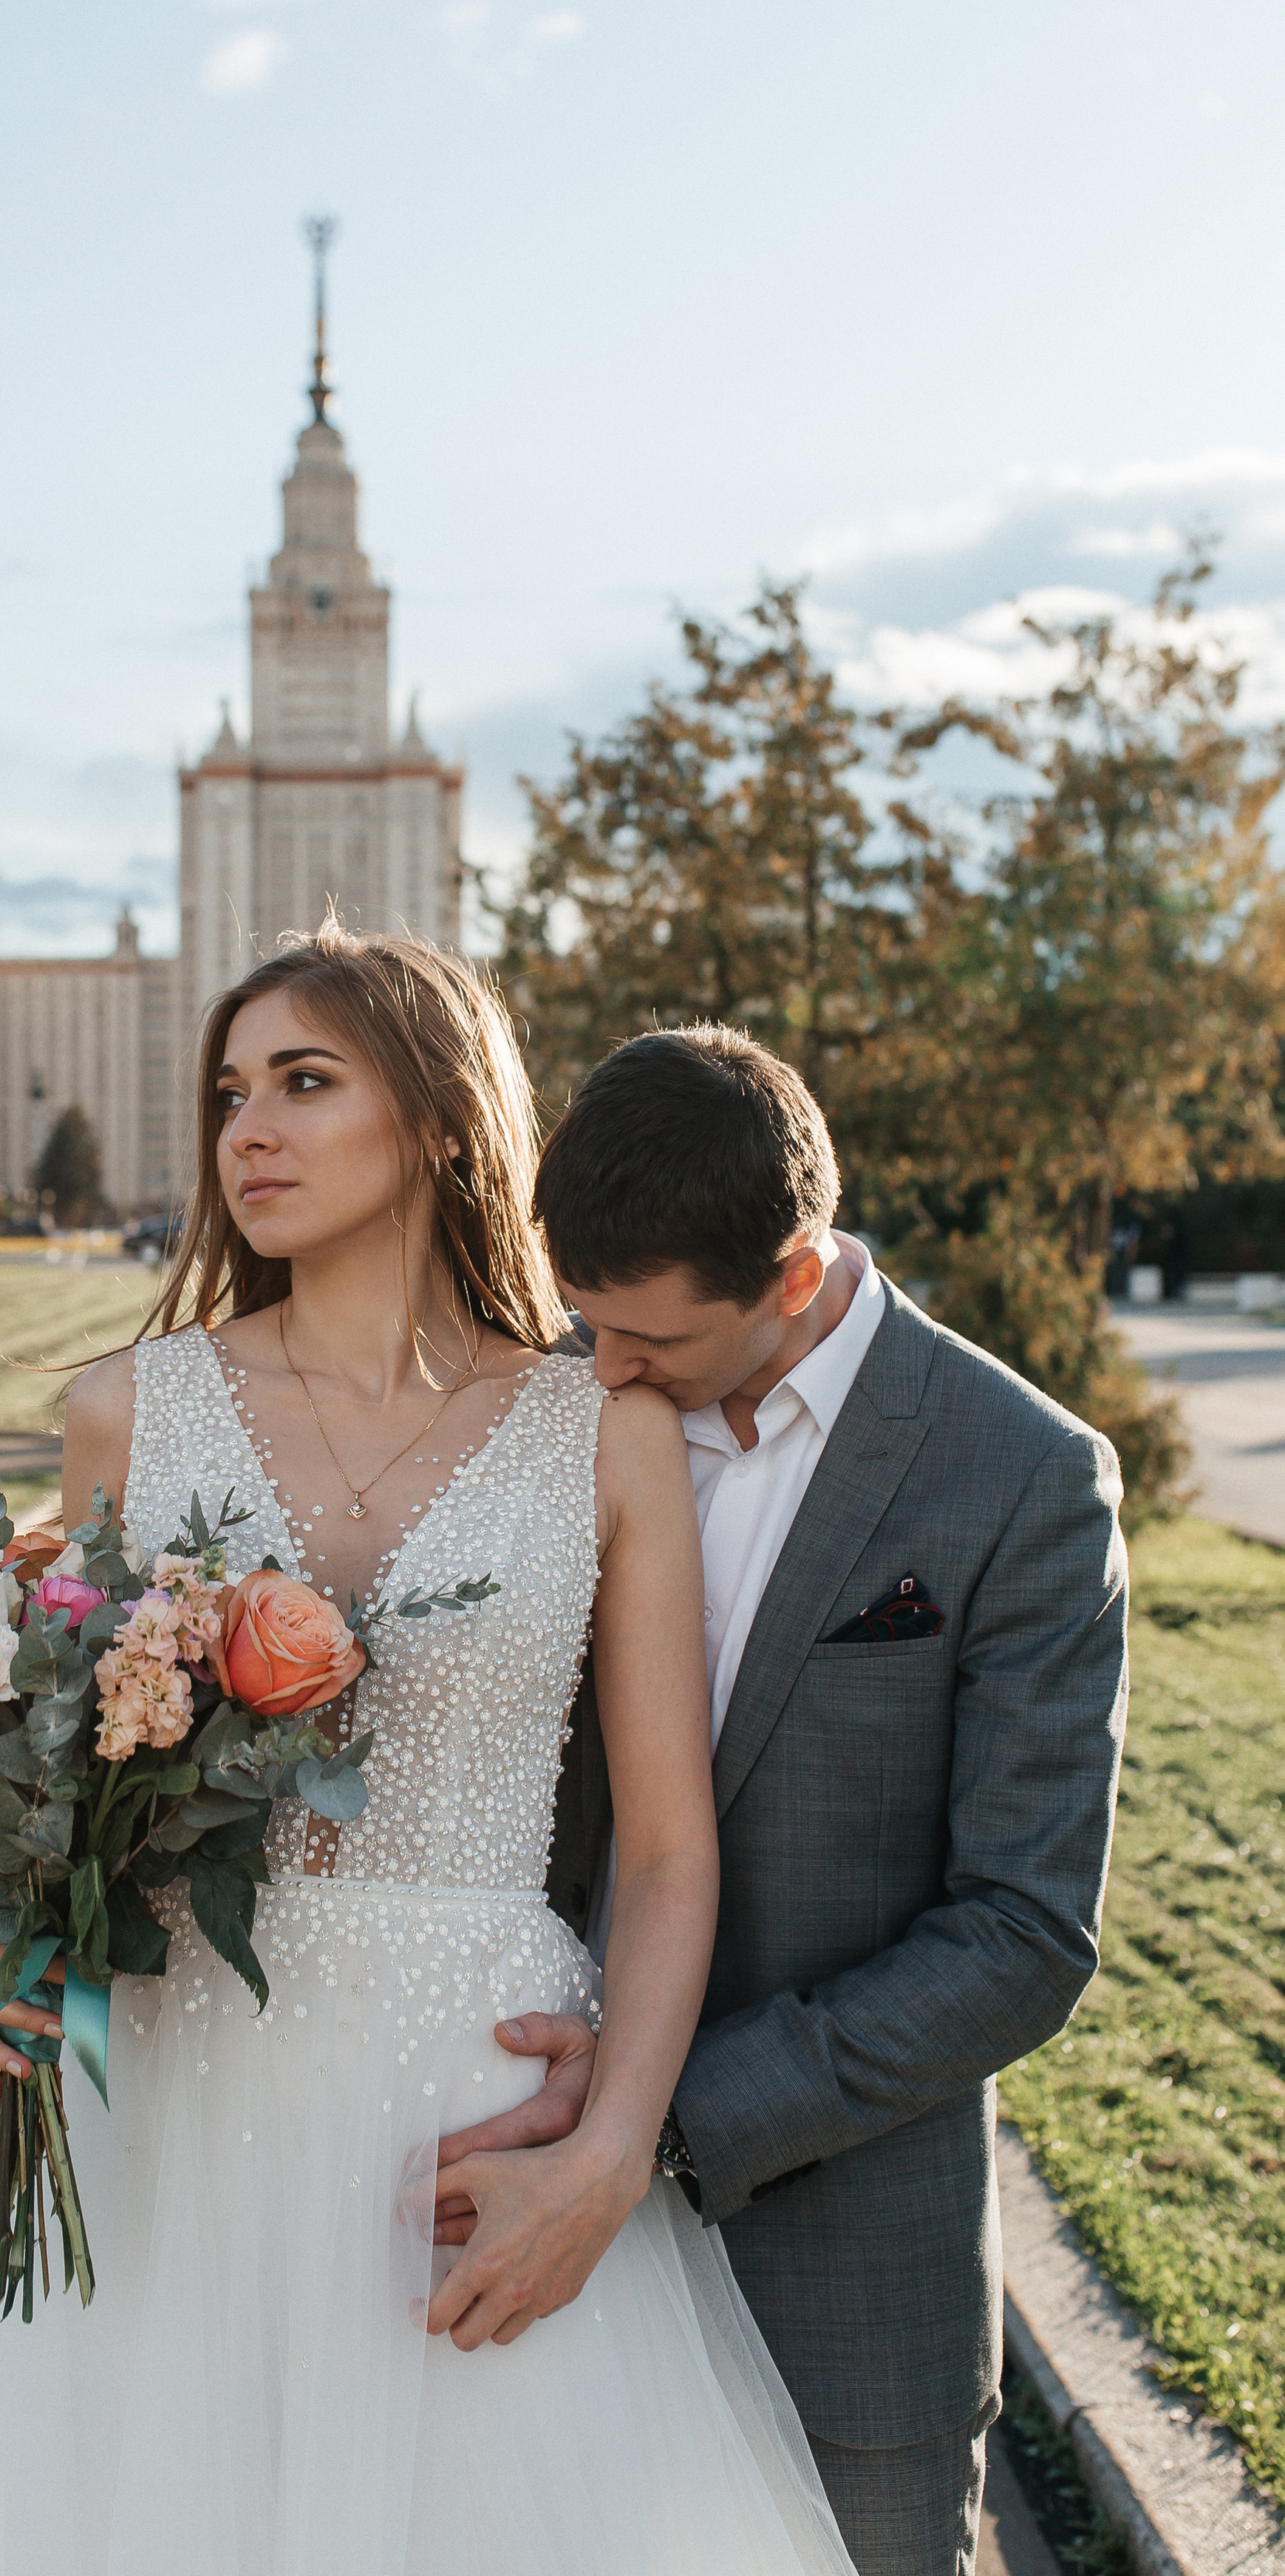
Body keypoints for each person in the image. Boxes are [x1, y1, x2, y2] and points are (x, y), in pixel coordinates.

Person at [0, 929, 857, 2576]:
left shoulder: (607, 1434)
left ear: (438, 1117)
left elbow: (662, 1849)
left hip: (475, 2127)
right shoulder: (120, 1416)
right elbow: (59, 1771)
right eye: (228, 1094)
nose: (246, 1134)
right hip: (175, 2110)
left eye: (302, 1082)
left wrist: (606, 2151)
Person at [434, 1024, 1130, 2576]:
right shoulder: (550, 1405)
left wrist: (645, 2130)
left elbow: (1020, 1935)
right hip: (515, 2237)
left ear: (796, 1277)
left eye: (650, 1344)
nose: (602, 1370)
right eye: (582, 1322)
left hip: (845, 2291)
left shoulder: (1020, 1482)